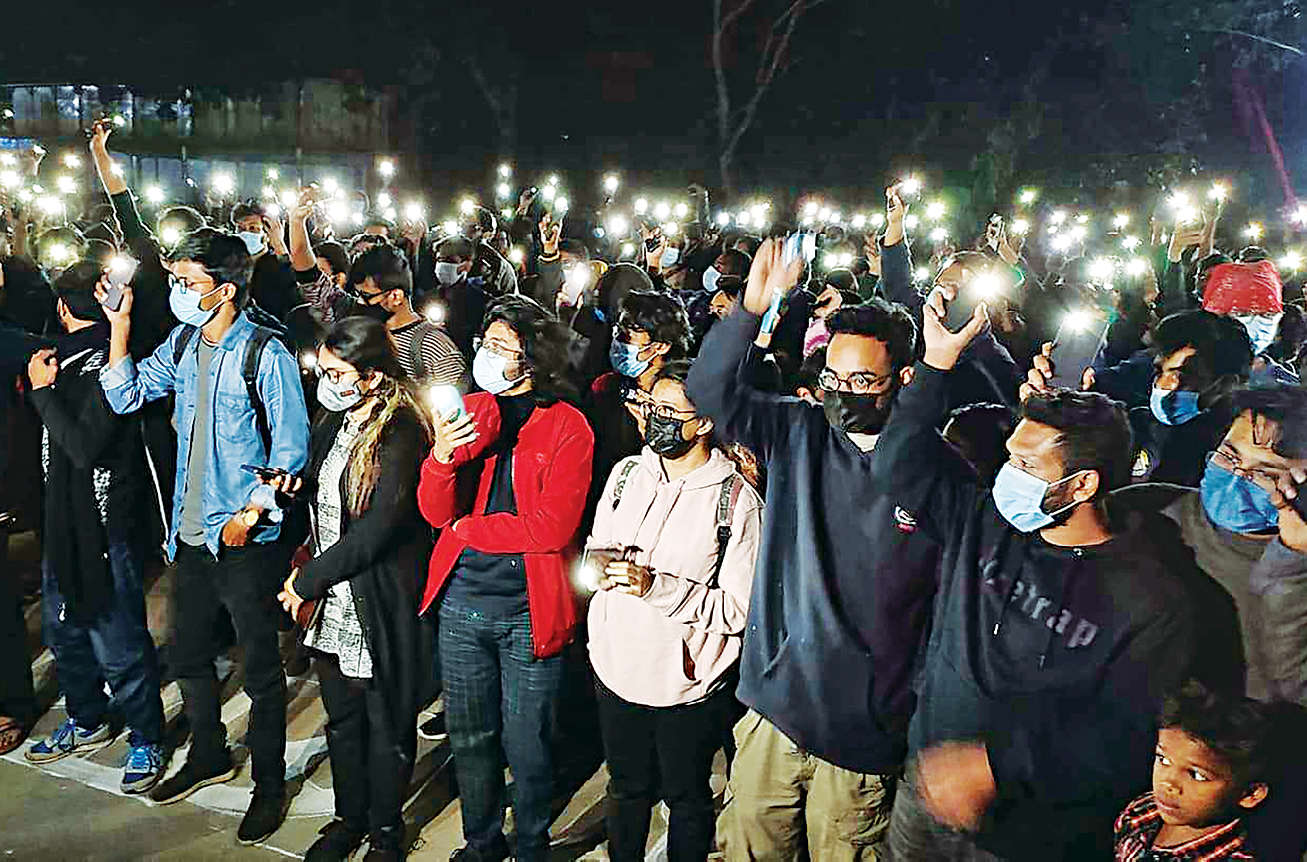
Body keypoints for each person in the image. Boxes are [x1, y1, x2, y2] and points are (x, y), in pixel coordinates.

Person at [875, 281, 1221, 860]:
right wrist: (935, 366)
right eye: (1009, 456)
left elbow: (1126, 730)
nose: (1006, 475)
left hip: (1029, 831)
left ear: (1082, 484)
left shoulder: (1150, 598)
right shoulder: (985, 522)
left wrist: (996, 765)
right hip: (926, 789)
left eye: (1026, 465)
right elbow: (898, 464)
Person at [687, 239, 939, 860]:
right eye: (831, 377)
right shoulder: (799, 431)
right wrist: (750, 310)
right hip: (777, 710)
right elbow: (709, 391)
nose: (841, 392)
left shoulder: (933, 473)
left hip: (863, 734)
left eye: (862, 381)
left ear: (903, 380)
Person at [96, 228, 310, 843]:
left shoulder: (265, 353)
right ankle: (209, 755)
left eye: (188, 282)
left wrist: (250, 515)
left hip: (244, 543)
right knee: (188, 654)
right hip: (188, 538)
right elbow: (126, 395)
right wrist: (119, 326)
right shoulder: (184, 344)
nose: (178, 292)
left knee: (260, 670)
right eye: (176, 281)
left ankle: (268, 785)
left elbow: (291, 454)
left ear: (225, 288)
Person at [416, 295, 594, 862]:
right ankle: (483, 841)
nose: (486, 355)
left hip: (527, 611)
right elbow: (434, 511)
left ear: (533, 358)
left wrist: (471, 530)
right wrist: (441, 457)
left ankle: (533, 841)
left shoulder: (568, 425)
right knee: (470, 739)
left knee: (528, 741)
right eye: (485, 344)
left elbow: (551, 528)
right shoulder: (472, 410)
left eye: (500, 346)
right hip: (461, 604)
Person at [585, 359, 762, 862]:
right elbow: (598, 544)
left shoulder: (736, 503)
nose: (652, 418)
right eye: (649, 405)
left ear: (703, 422)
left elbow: (737, 609)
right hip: (616, 668)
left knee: (686, 797)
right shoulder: (626, 474)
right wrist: (596, 567)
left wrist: (656, 588)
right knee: (625, 787)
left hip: (685, 687)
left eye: (668, 411)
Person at [272, 317, 433, 862]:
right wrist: (294, 489)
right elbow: (327, 491)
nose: (327, 381)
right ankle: (349, 818)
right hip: (334, 600)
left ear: (372, 375)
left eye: (337, 373)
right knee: (342, 720)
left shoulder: (402, 430)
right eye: (323, 370)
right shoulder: (335, 418)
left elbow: (378, 529)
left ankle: (386, 831)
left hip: (375, 599)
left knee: (387, 724)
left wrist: (306, 581)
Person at [20, 261, 166, 792]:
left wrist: (41, 393)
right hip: (62, 523)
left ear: (62, 307)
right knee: (63, 632)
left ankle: (147, 737)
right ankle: (86, 720)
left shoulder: (113, 361)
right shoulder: (53, 358)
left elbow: (83, 447)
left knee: (116, 638)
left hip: (105, 528)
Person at [1056, 309, 1253, 485]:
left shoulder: (1238, 459)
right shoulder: (1131, 423)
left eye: (1180, 376)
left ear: (1225, 384)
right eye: (1159, 372)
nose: (1164, 386)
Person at [1114, 682, 1279, 862]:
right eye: (1163, 759)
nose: (1168, 783)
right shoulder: (1141, 811)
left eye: (1196, 775)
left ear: (1250, 794)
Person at [585, 290, 691, 526]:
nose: (619, 342)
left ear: (661, 346)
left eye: (630, 335)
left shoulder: (684, 400)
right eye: (619, 332)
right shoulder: (606, 388)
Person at [344, 244, 467, 390]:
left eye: (366, 296)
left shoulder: (434, 347)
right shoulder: (366, 335)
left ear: (396, 296)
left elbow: (457, 402)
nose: (359, 302)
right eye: (357, 294)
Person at [427, 235, 490, 359]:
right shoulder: (428, 298)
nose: (442, 265)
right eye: (439, 260)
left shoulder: (481, 302)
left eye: (450, 260)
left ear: (467, 265)